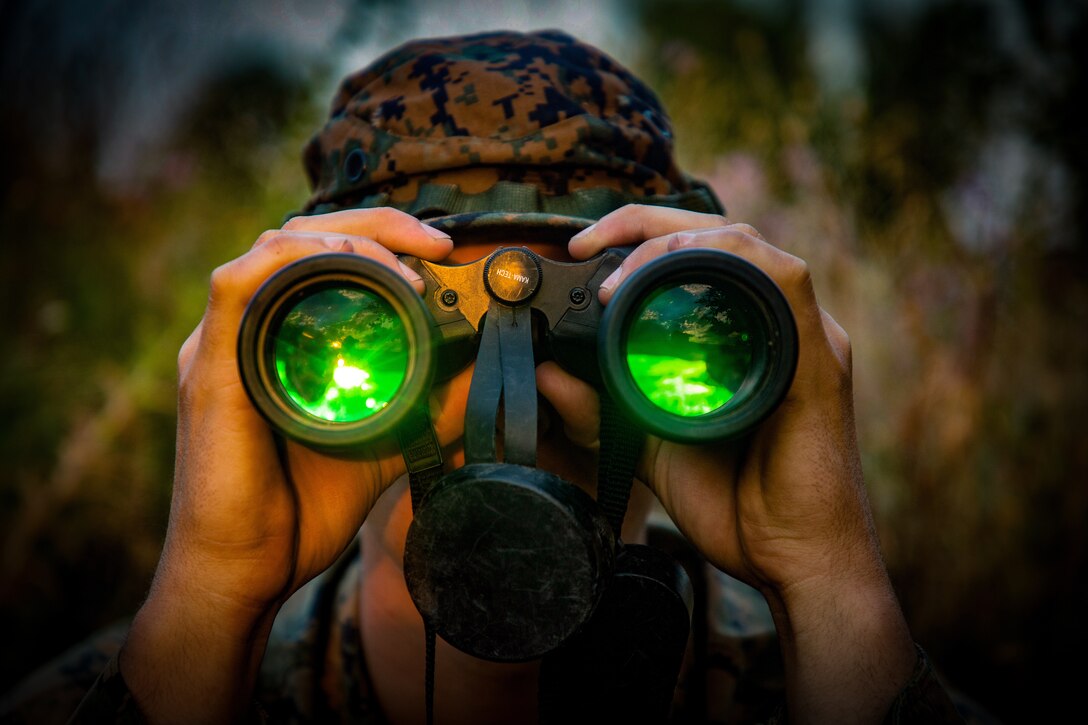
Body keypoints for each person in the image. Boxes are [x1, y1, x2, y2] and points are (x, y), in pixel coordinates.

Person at [0, 29, 976, 724]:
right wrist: (213, 595)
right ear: (272, 353)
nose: (513, 392)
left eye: (592, 332)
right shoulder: (161, 682)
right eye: (408, 331)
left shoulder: (822, 675)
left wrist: (827, 583)